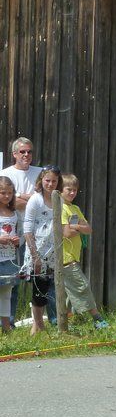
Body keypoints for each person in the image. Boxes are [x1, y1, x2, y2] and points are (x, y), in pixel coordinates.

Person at [59, 174, 109, 329]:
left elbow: (88, 229)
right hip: (65, 257)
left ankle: (68, 320)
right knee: (82, 286)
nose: (72, 193)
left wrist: (75, 227)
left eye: (75, 190)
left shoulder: (75, 208)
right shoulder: (61, 208)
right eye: (68, 189)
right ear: (60, 190)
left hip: (74, 255)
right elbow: (66, 233)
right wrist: (77, 228)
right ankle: (97, 319)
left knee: (69, 291)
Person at [0, 137, 42, 321]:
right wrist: (32, 198)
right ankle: (9, 321)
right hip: (13, 234)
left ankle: (44, 320)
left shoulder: (40, 173)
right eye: (22, 151)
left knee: (40, 277)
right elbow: (12, 202)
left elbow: (43, 200)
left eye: (29, 151)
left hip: (37, 233)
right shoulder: (5, 173)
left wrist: (21, 197)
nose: (26, 155)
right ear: (14, 154)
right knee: (12, 280)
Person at [22, 166, 62, 335]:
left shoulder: (58, 199)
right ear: (41, 180)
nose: (50, 184)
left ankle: (39, 325)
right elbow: (27, 230)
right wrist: (35, 256)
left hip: (52, 252)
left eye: (54, 181)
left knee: (46, 288)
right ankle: (37, 326)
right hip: (37, 251)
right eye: (47, 180)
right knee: (38, 288)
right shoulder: (35, 200)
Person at [0, 176, 20, 332]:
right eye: (3, 192)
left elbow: (18, 233)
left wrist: (16, 241)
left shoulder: (14, 213)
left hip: (9, 258)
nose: (7, 196)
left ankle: (6, 327)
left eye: (10, 193)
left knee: (6, 293)